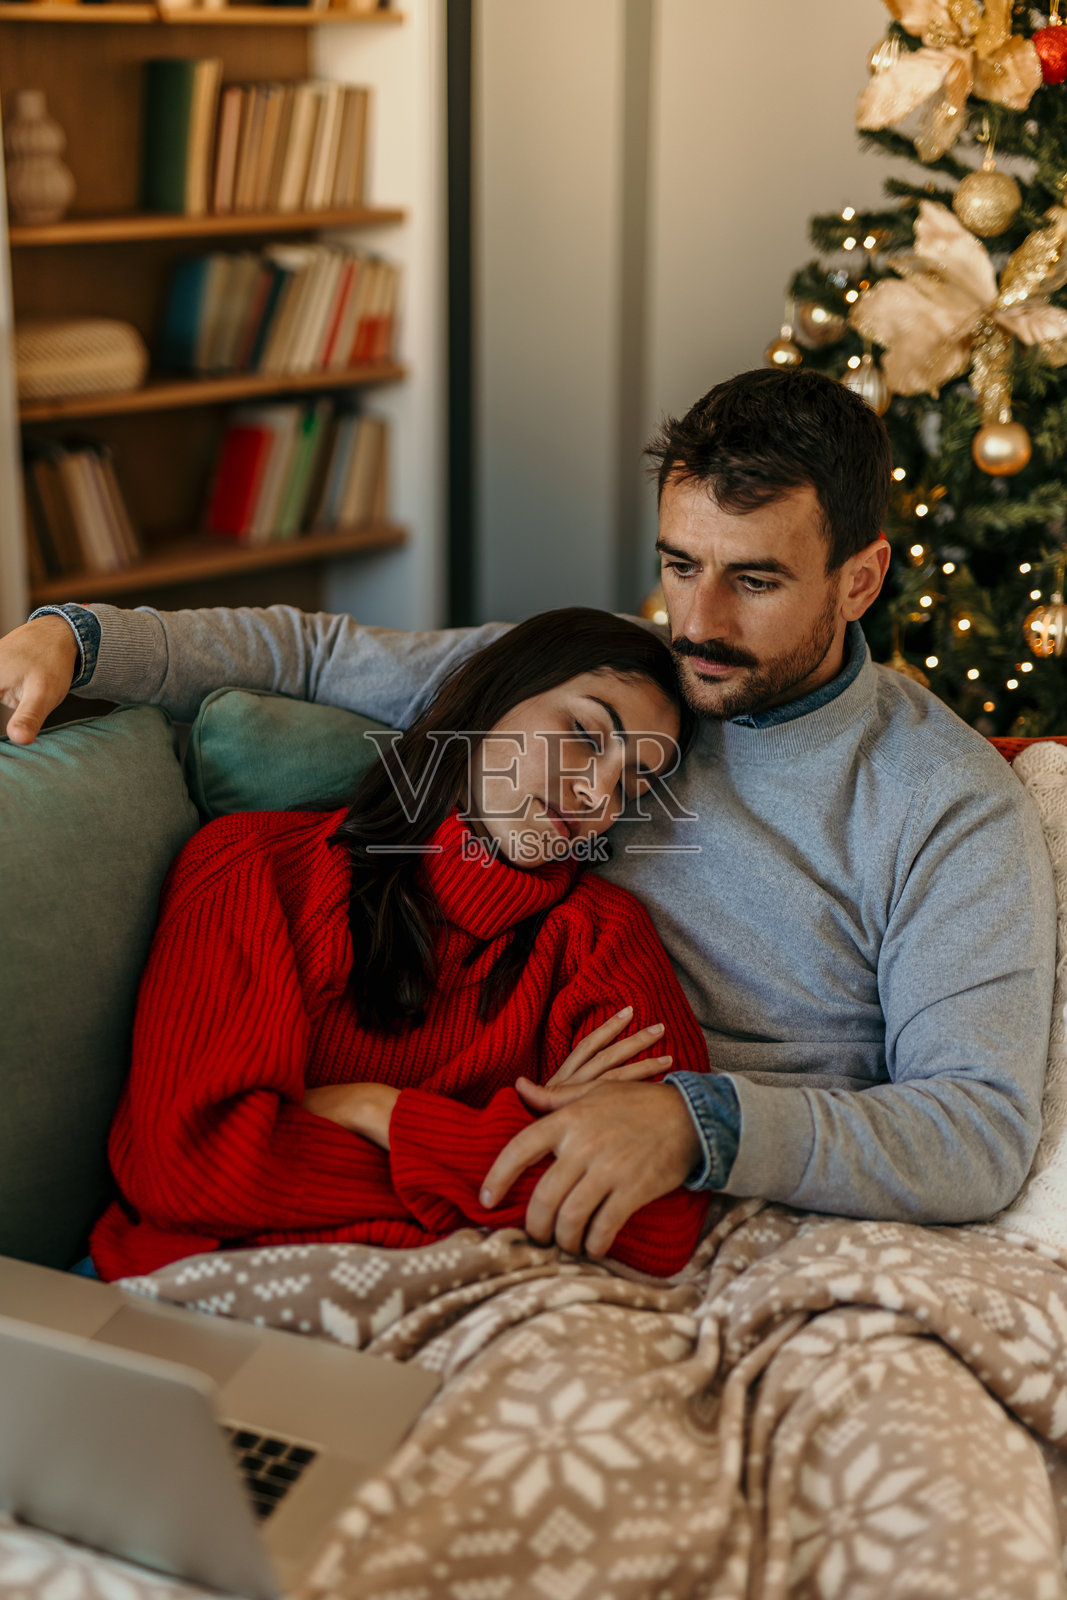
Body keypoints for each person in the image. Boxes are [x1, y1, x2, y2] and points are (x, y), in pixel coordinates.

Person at [1, 368, 1056, 1263]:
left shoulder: (942, 801)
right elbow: (312, 654)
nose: (696, 623)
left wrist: (695, 1124)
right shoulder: (597, 686)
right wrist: (79, 640)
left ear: (859, 579)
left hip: (755, 1198)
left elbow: (974, 1128)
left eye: (754, 580)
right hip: (532, 1167)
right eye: (678, 565)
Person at [88, 607, 713, 1282]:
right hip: (223, 1299)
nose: (597, 795)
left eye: (633, 784)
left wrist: (376, 1110)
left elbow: (661, 1221)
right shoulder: (257, 869)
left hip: (478, 1303)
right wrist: (514, 1141)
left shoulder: (602, 939)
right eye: (586, 736)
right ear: (491, 698)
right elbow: (191, 1171)